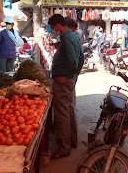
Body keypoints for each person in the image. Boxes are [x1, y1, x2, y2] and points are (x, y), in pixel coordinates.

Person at [48, 14, 81, 159]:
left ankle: (63, 147)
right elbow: (81, 58)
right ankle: (72, 141)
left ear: (57, 25)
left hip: (63, 81)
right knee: (68, 111)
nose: (53, 30)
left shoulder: (67, 38)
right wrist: (73, 77)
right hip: (68, 79)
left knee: (61, 114)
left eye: (53, 27)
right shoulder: (72, 36)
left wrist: (67, 77)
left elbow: (74, 61)